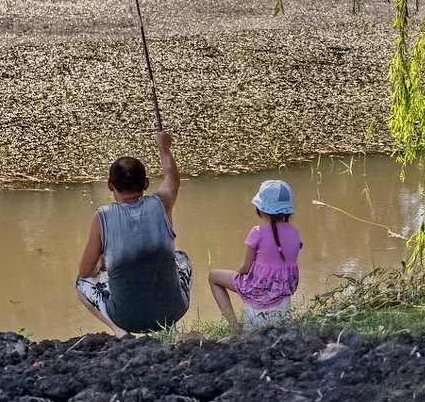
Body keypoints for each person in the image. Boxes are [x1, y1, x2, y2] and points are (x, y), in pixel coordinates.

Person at [76, 131, 192, 337]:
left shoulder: (102, 216)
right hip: (173, 310)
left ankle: (119, 331)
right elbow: (172, 178)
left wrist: (103, 263)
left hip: (126, 318)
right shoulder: (162, 202)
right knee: (181, 257)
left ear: (110, 186)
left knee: (81, 282)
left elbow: (85, 271)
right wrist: (164, 147)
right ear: (146, 184)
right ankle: (169, 327)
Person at [209, 180, 302, 329]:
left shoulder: (257, 232)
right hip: (281, 295)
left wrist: (237, 278)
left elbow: (246, 267)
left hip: (257, 290)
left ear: (260, 209)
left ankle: (234, 326)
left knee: (213, 276)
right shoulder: (294, 232)